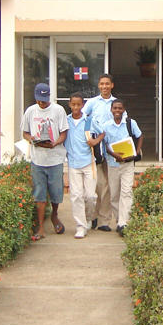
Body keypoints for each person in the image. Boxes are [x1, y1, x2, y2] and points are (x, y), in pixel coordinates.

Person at [21, 83, 68, 241]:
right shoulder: (30, 111)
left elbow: (63, 133)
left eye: (44, 100)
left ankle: (54, 216)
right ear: (35, 97)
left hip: (55, 159)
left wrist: (55, 143)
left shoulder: (58, 110)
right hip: (38, 160)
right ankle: (41, 228)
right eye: (39, 100)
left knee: (56, 193)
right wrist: (32, 140)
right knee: (39, 193)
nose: (42, 103)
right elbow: (25, 133)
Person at [99, 98, 143, 237]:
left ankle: (124, 223)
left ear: (124, 110)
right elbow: (104, 144)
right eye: (115, 108)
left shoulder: (130, 123)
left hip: (128, 164)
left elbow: (140, 136)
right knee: (114, 195)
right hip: (113, 164)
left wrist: (136, 151)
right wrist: (113, 154)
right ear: (111, 110)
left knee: (127, 192)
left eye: (120, 108)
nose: (117, 111)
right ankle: (119, 219)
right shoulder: (106, 126)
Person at [82, 73, 119, 231]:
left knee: (109, 186)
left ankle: (104, 221)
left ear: (112, 85)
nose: (104, 86)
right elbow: (83, 119)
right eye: (102, 84)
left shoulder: (116, 103)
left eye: (107, 84)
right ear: (99, 86)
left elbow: (122, 122)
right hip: (95, 149)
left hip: (111, 148)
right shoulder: (92, 103)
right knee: (98, 184)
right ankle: (93, 216)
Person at [64, 92, 101, 239]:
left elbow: (102, 133)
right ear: (69, 105)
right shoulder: (66, 121)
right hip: (73, 163)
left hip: (89, 162)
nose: (76, 107)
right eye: (73, 104)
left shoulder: (88, 121)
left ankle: (89, 217)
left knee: (90, 196)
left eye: (79, 104)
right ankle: (80, 225)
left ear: (83, 105)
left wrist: (95, 141)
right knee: (76, 195)